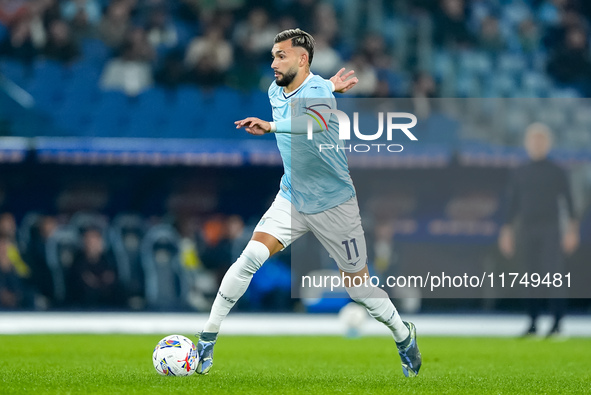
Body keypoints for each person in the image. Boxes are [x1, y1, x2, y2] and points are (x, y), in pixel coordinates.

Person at [195, 28, 421, 377]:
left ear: (302, 59)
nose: (273, 63)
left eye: (280, 55)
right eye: (272, 55)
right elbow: (309, 93)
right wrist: (330, 86)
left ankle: (403, 336)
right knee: (250, 258)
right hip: (293, 196)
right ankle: (207, 338)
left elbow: (313, 120)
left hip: (334, 203)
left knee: (359, 288)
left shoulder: (316, 91)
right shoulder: (278, 88)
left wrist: (272, 125)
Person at [498, 123, 579, 337]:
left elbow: (569, 202)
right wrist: (506, 232)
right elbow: (512, 204)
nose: (537, 144)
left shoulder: (557, 171)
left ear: (548, 144)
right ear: (527, 143)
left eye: (541, 140)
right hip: (527, 228)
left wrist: (572, 231)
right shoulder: (519, 172)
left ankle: (557, 323)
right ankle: (533, 321)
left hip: (550, 228)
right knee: (529, 276)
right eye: (533, 140)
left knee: (553, 276)